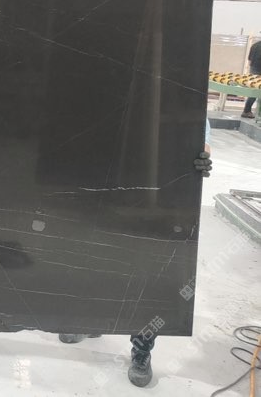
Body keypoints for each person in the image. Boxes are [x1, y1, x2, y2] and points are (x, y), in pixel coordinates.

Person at [60, 120, 213, 388]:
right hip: (103, 185)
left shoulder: (177, 102)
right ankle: (91, 321)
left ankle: (142, 349)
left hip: (157, 194)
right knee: (95, 255)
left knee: (147, 272)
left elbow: (201, 138)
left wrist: (200, 158)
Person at [242, 40, 261, 118]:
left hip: (253, 69)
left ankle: (247, 110)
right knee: (256, 92)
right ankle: (248, 111)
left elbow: (249, 60)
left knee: (254, 91)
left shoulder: (254, 45)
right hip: (259, 70)